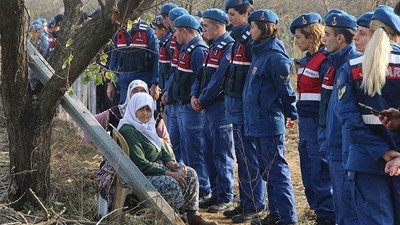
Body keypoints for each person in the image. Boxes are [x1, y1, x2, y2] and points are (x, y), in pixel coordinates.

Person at [337, 6, 400, 224]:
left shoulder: (351, 67)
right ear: (397, 35)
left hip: (366, 161)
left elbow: (348, 118)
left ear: (371, 34)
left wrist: (383, 152)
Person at [117, 93, 217, 225]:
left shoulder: (146, 126)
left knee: (191, 174)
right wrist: (170, 173)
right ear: (133, 109)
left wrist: (172, 164)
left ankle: (193, 217)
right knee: (171, 182)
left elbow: (159, 148)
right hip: (137, 174)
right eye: (141, 109)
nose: (145, 113)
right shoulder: (129, 130)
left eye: (148, 109)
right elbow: (140, 164)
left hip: (152, 169)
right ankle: (172, 218)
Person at [243, 9, 298, 225]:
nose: (250, 31)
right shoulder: (260, 53)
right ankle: (275, 214)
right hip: (256, 122)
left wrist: (291, 114)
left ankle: (288, 218)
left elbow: (286, 91)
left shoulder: (275, 56)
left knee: (277, 172)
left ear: (264, 29)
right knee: (267, 172)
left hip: (268, 123)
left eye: (253, 27)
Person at [86, 80, 171, 206]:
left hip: (149, 161)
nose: (138, 95)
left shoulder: (153, 116)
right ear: (128, 93)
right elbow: (89, 125)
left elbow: (165, 143)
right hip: (125, 166)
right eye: (134, 91)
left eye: (142, 92)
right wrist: (104, 151)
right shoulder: (116, 113)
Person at [222, 0, 266, 223]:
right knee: (241, 156)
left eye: (232, 14)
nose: (228, 18)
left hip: (245, 108)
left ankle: (256, 205)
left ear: (246, 14)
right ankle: (246, 201)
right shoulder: (237, 39)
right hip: (235, 106)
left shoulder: (251, 41)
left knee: (249, 157)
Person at [289, 13, 335, 225]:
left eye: (299, 37)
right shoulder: (306, 60)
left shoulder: (324, 60)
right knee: (308, 168)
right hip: (305, 123)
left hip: (318, 122)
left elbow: (327, 95)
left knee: (319, 169)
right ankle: (317, 210)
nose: (296, 41)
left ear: (311, 36)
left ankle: (327, 214)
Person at [190, 8, 235, 214]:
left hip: (220, 107)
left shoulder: (228, 46)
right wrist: (194, 95)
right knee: (208, 151)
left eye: (206, 26)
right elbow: (200, 75)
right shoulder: (212, 46)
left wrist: (202, 98)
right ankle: (215, 193)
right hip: (207, 107)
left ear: (218, 26)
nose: (203, 29)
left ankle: (226, 196)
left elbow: (219, 80)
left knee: (221, 152)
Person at [168, 14, 212, 206]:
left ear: (184, 31)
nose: (175, 34)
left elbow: (201, 79)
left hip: (191, 108)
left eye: (176, 31)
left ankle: (203, 189)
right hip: (180, 105)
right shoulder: (184, 48)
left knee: (195, 150)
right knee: (182, 149)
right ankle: (189, 187)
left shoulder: (198, 50)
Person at [322, 11, 359, 225]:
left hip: (346, 150)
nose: (323, 38)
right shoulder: (336, 63)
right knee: (341, 208)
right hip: (335, 146)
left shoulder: (351, 65)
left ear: (340, 38)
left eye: (327, 34)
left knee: (348, 207)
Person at [107, 18, 159, 104]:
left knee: (143, 114)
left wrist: (155, 84)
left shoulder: (148, 32)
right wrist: (109, 83)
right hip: (124, 85)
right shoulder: (119, 32)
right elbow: (114, 58)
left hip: (143, 84)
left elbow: (157, 59)